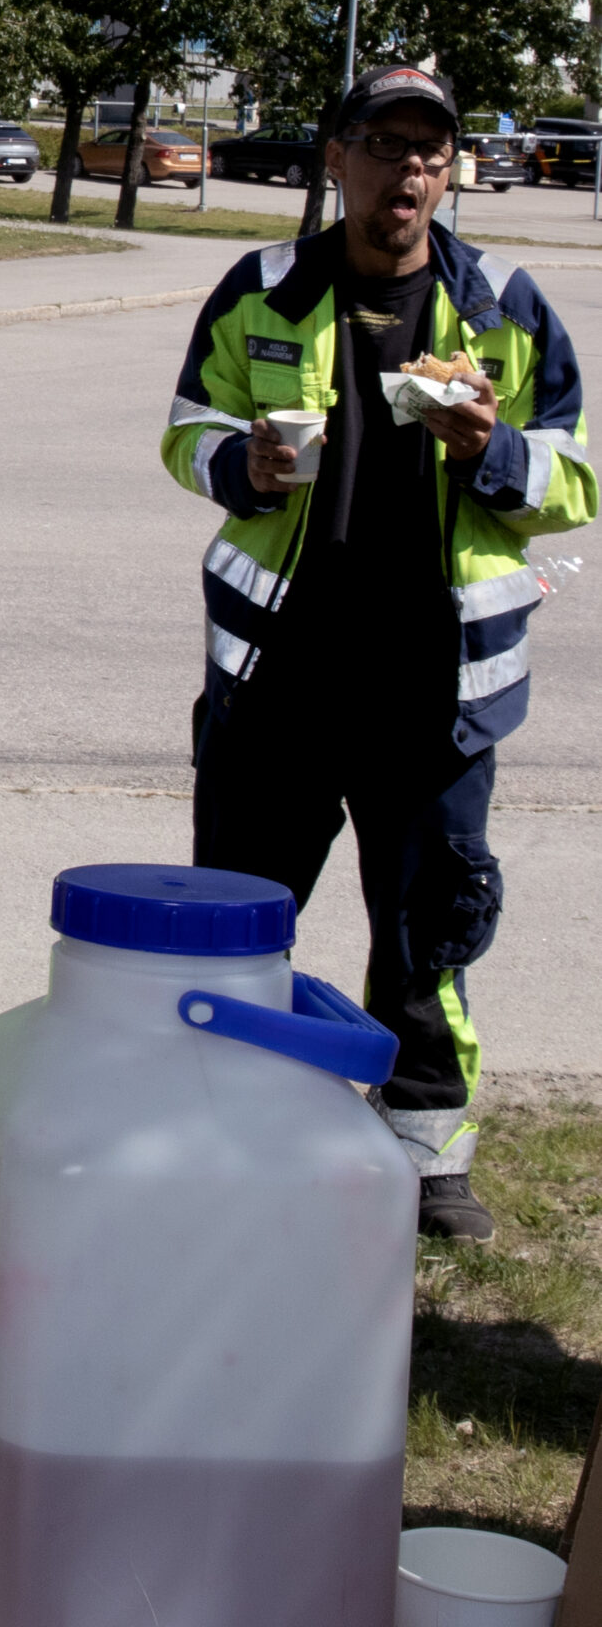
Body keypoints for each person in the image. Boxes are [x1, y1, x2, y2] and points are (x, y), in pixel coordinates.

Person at [162, 63, 595, 1242]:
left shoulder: (501, 303)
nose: (409, 170)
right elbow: (185, 426)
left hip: (433, 686)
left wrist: (490, 451)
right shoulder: (260, 285)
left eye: (428, 151)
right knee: (236, 920)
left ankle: (423, 1147)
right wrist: (233, 464)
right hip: (277, 680)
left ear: (447, 171)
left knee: (425, 930)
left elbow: (576, 475)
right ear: (335, 157)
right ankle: (230, 1127)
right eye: (385, 144)